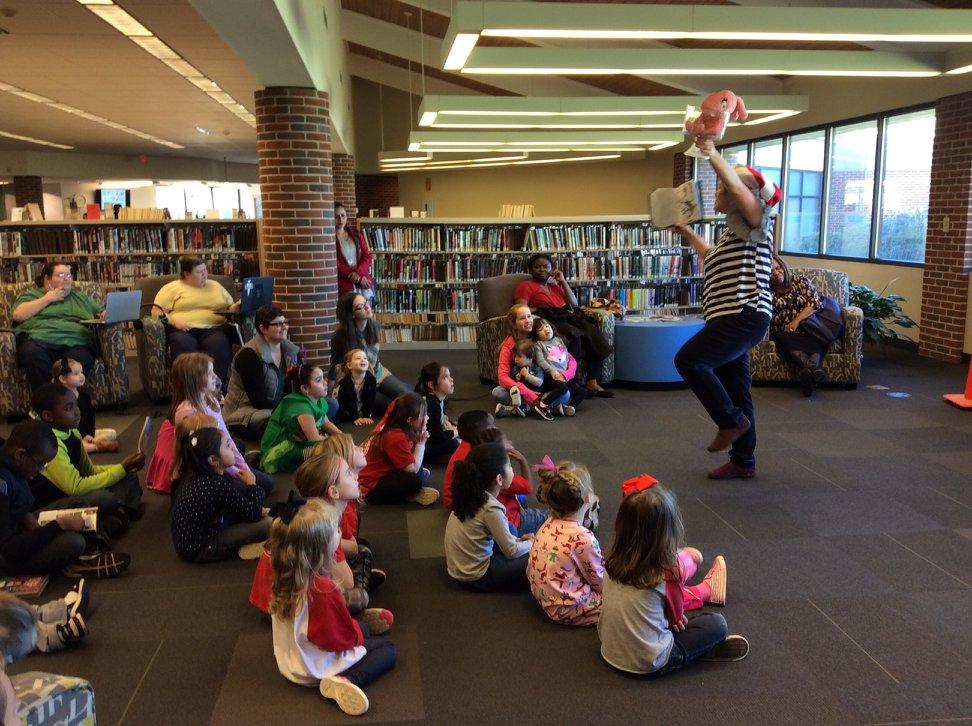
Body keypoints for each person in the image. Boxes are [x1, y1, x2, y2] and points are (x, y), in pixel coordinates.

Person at [673, 141, 781, 480]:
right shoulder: (730, 235)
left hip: (744, 313)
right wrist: (686, 231)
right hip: (730, 316)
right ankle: (743, 461)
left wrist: (711, 152)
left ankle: (730, 421)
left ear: (742, 196)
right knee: (738, 390)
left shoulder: (757, 221)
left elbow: (737, 183)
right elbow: (711, 255)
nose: (720, 190)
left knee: (690, 360)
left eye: (724, 187)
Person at [598, 479, 746, 677]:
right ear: (668, 532)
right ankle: (696, 652)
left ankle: (693, 648)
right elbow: (676, 620)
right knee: (716, 624)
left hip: (609, 652)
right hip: (650, 663)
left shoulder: (610, 563)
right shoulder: (666, 573)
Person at [267, 496, 396, 717]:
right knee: (387, 649)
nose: (340, 533)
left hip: (290, 659)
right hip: (314, 667)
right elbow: (335, 639)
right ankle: (344, 680)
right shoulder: (322, 589)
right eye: (336, 530)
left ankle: (361, 625)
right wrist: (356, 636)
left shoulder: (285, 575)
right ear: (321, 546)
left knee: (358, 628)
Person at [0, 419, 130, 579]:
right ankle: (81, 559)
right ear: (21, 455)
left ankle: (91, 548)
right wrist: (60, 525)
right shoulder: (2, 484)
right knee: (73, 542)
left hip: (20, 528)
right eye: (40, 464)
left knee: (78, 504)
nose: (40, 470)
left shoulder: (11, 462)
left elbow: (17, 507)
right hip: (7, 555)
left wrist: (29, 519)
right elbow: (9, 551)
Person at [146, 352, 272, 495]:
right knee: (257, 491)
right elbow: (210, 456)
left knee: (265, 483)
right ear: (195, 380)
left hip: (220, 457)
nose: (214, 376)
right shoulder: (187, 413)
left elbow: (227, 439)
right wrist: (238, 473)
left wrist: (244, 469)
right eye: (209, 373)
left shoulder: (210, 400)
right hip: (209, 470)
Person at [30, 383, 144, 520]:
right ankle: (119, 512)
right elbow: (75, 488)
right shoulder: (50, 445)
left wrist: (123, 468)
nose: (78, 412)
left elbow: (88, 471)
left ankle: (119, 514)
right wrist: (121, 469)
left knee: (129, 477)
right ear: (48, 416)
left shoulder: (73, 432)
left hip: (77, 492)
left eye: (76, 405)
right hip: (60, 500)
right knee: (105, 498)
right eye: (69, 408)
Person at [514, 253, 614, 398]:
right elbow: (521, 308)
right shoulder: (526, 286)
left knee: (592, 333)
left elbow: (573, 303)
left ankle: (592, 380)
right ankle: (573, 382)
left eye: (545, 266)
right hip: (549, 320)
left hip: (567, 317)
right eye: (537, 267)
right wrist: (538, 310)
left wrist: (562, 282)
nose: (541, 269)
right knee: (574, 334)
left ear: (551, 269)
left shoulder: (554, 286)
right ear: (530, 270)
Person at [294, 452, 385, 611]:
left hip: (288, 598)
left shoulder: (316, 513)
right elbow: (347, 582)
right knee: (358, 595)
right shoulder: (325, 525)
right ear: (333, 492)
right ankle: (358, 615)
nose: (356, 477)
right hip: (295, 607)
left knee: (361, 550)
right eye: (349, 474)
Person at [169, 426, 270, 563]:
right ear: (213, 460)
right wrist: (251, 484)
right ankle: (246, 547)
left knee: (251, 509)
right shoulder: (217, 484)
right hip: (201, 548)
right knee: (268, 523)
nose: (233, 448)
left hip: (199, 535)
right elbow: (253, 513)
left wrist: (253, 508)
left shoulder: (199, 476)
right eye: (228, 446)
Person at [444, 442, 534, 592]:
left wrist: (519, 541)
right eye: (510, 467)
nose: (512, 470)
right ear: (499, 479)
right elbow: (512, 551)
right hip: (476, 577)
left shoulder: (469, 493)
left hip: (460, 569)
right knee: (539, 554)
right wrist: (532, 542)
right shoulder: (491, 507)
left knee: (514, 536)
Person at [527, 460, 603, 626]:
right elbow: (600, 581)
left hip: (545, 598)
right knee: (624, 600)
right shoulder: (583, 538)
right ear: (587, 498)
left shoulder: (548, 523)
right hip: (568, 609)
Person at [12, 261, 102, 391]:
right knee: (31, 353)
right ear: (47, 279)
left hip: (77, 341)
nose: (66, 279)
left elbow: (101, 312)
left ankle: (58, 403)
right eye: (60, 275)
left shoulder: (80, 298)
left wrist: (104, 314)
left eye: (69, 276)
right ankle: (52, 402)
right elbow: (18, 315)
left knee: (77, 364)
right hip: (40, 340)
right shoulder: (32, 296)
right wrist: (47, 299)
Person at [152, 256, 239, 389]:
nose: (205, 275)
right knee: (183, 346)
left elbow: (230, 307)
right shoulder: (172, 288)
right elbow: (156, 312)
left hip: (213, 328)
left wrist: (238, 306)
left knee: (220, 344)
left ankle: (216, 391)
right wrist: (174, 322)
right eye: (199, 272)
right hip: (183, 329)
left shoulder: (216, 286)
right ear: (186, 274)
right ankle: (189, 392)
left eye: (205, 270)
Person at [769, 254, 843, 397]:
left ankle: (810, 372)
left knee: (820, 337)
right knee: (780, 338)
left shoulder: (800, 281)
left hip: (810, 329)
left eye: (778, 268)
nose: (777, 273)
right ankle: (814, 370)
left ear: (783, 267)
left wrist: (796, 321)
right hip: (787, 334)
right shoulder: (767, 292)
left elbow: (814, 304)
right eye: (771, 272)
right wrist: (789, 326)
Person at [223, 305, 302, 440]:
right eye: (278, 324)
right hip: (246, 412)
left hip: (276, 407)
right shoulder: (249, 355)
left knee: (327, 404)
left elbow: (295, 386)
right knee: (280, 421)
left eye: (285, 322)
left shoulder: (290, 351)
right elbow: (258, 401)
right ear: (263, 328)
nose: (284, 327)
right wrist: (292, 407)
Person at [328, 292, 410, 412]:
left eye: (366, 302)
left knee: (405, 395)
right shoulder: (340, 336)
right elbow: (334, 365)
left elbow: (373, 358)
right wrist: (326, 396)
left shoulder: (374, 326)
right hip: (358, 382)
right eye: (361, 306)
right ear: (351, 314)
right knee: (393, 406)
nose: (367, 307)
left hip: (379, 373)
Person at [358, 393, 438, 506]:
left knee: (417, 464)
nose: (427, 418)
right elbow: (413, 469)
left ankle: (410, 490)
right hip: (370, 487)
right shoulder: (395, 437)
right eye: (423, 415)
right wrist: (421, 443)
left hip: (379, 472)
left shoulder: (396, 422)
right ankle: (410, 493)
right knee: (415, 479)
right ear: (410, 421)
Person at [259, 364, 341, 474]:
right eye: (319, 380)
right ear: (305, 389)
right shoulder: (300, 406)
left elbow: (325, 422)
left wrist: (342, 436)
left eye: (323, 378)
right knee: (329, 451)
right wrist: (339, 443)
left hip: (299, 440)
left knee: (336, 446)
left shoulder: (318, 399)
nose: (325, 383)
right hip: (282, 449)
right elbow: (314, 439)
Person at [52, 357, 117, 454]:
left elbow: (90, 418)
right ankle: (94, 446)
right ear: (63, 379)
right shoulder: (59, 401)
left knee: (112, 433)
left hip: (85, 433)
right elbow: (62, 426)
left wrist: (88, 434)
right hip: (68, 436)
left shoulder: (84, 397)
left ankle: (88, 444)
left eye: (81, 372)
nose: (82, 376)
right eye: (76, 374)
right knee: (64, 445)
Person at [414, 362, 460, 466]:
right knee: (455, 443)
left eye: (449, 376)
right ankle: (430, 459)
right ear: (431, 385)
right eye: (445, 377)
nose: (451, 379)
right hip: (422, 444)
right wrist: (456, 432)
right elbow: (437, 436)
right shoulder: (431, 404)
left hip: (427, 439)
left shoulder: (436, 399)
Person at [335, 203, 375, 300]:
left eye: (343, 215)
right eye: (336, 217)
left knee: (366, 312)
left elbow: (367, 256)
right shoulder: (330, 239)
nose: (340, 219)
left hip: (363, 281)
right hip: (345, 284)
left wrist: (359, 274)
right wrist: (352, 276)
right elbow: (335, 263)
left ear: (346, 216)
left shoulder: (356, 234)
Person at [333, 349, 379, 426]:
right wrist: (355, 417)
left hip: (363, 402)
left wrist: (366, 416)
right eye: (358, 358)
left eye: (365, 358)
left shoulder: (371, 379)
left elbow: (371, 398)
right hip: (348, 407)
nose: (362, 360)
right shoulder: (345, 382)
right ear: (349, 365)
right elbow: (347, 402)